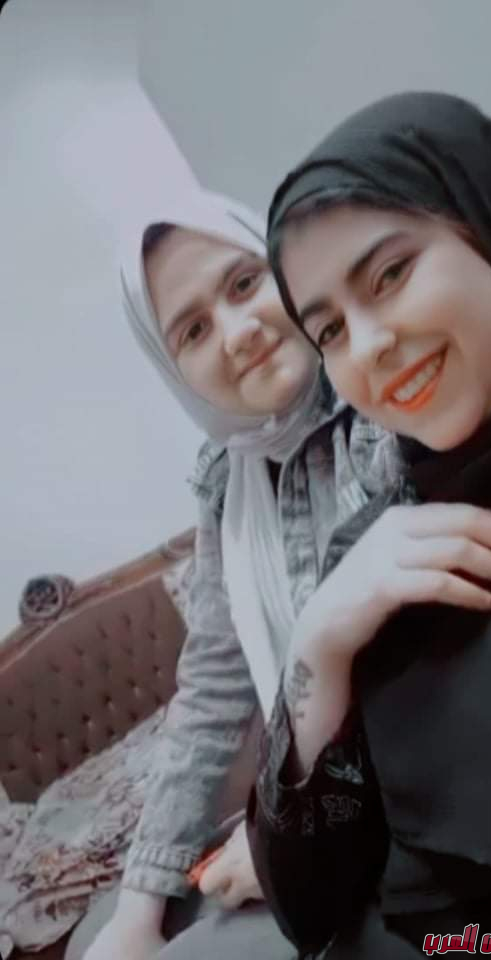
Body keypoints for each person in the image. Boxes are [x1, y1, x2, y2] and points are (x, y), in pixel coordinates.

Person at [248, 92, 491, 957]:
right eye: (329, 329)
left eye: (390, 274)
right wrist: (319, 644)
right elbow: (308, 902)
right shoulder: (380, 548)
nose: (366, 346)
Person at [69, 185, 412, 960]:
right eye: (193, 329)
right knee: (115, 930)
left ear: (286, 266)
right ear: (174, 368)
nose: (237, 332)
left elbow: (440, 669)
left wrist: (284, 844)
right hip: (319, 807)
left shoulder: (380, 399)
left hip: (423, 832)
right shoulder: (229, 482)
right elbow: (213, 688)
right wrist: (139, 903)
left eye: (244, 282)